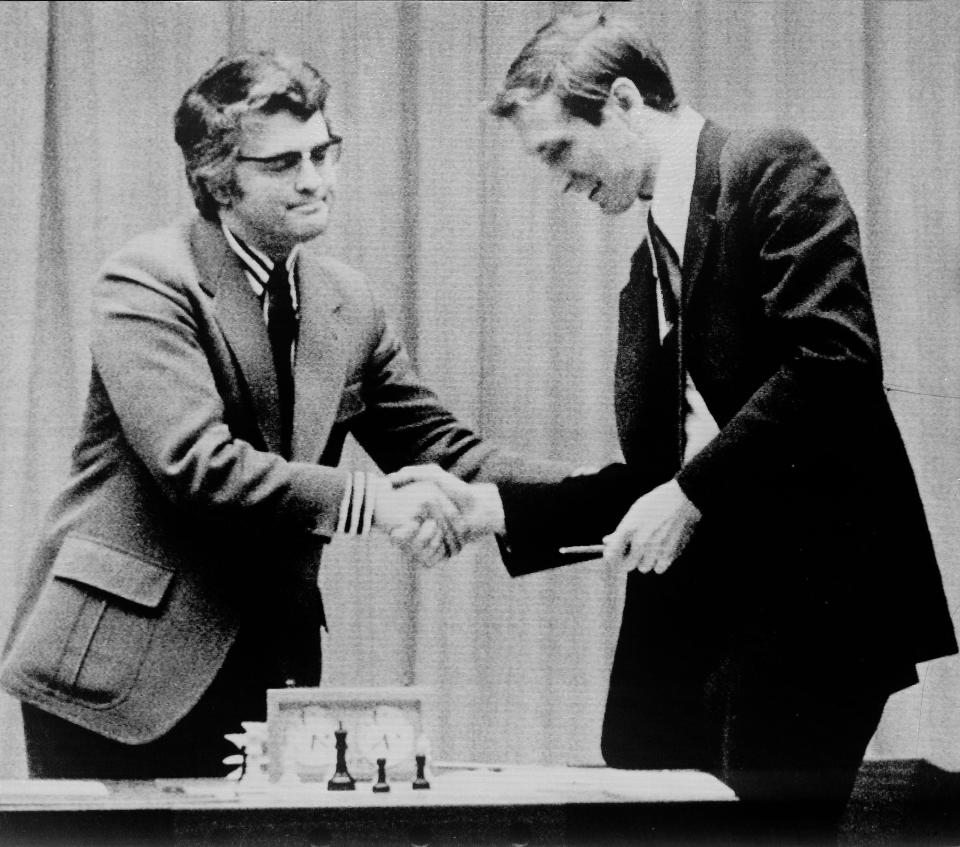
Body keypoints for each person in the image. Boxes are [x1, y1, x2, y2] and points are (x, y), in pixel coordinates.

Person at [392, 12, 958, 843]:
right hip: (707, 603)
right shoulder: (645, 265)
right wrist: (494, 510)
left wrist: (690, 493)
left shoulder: (768, 165)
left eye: (558, 151)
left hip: (817, 597)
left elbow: (834, 359)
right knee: (637, 772)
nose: (560, 182)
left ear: (622, 101)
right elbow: (656, 482)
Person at [0, 50, 566, 780]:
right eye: (282, 163)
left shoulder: (346, 300)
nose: (314, 179)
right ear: (217, 178)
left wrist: (620, 489)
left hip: (269, 669)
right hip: (120, 675)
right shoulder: (147, 279)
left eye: (324, 153)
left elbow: (442, 446)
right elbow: (197, 465)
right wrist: (375, 502)